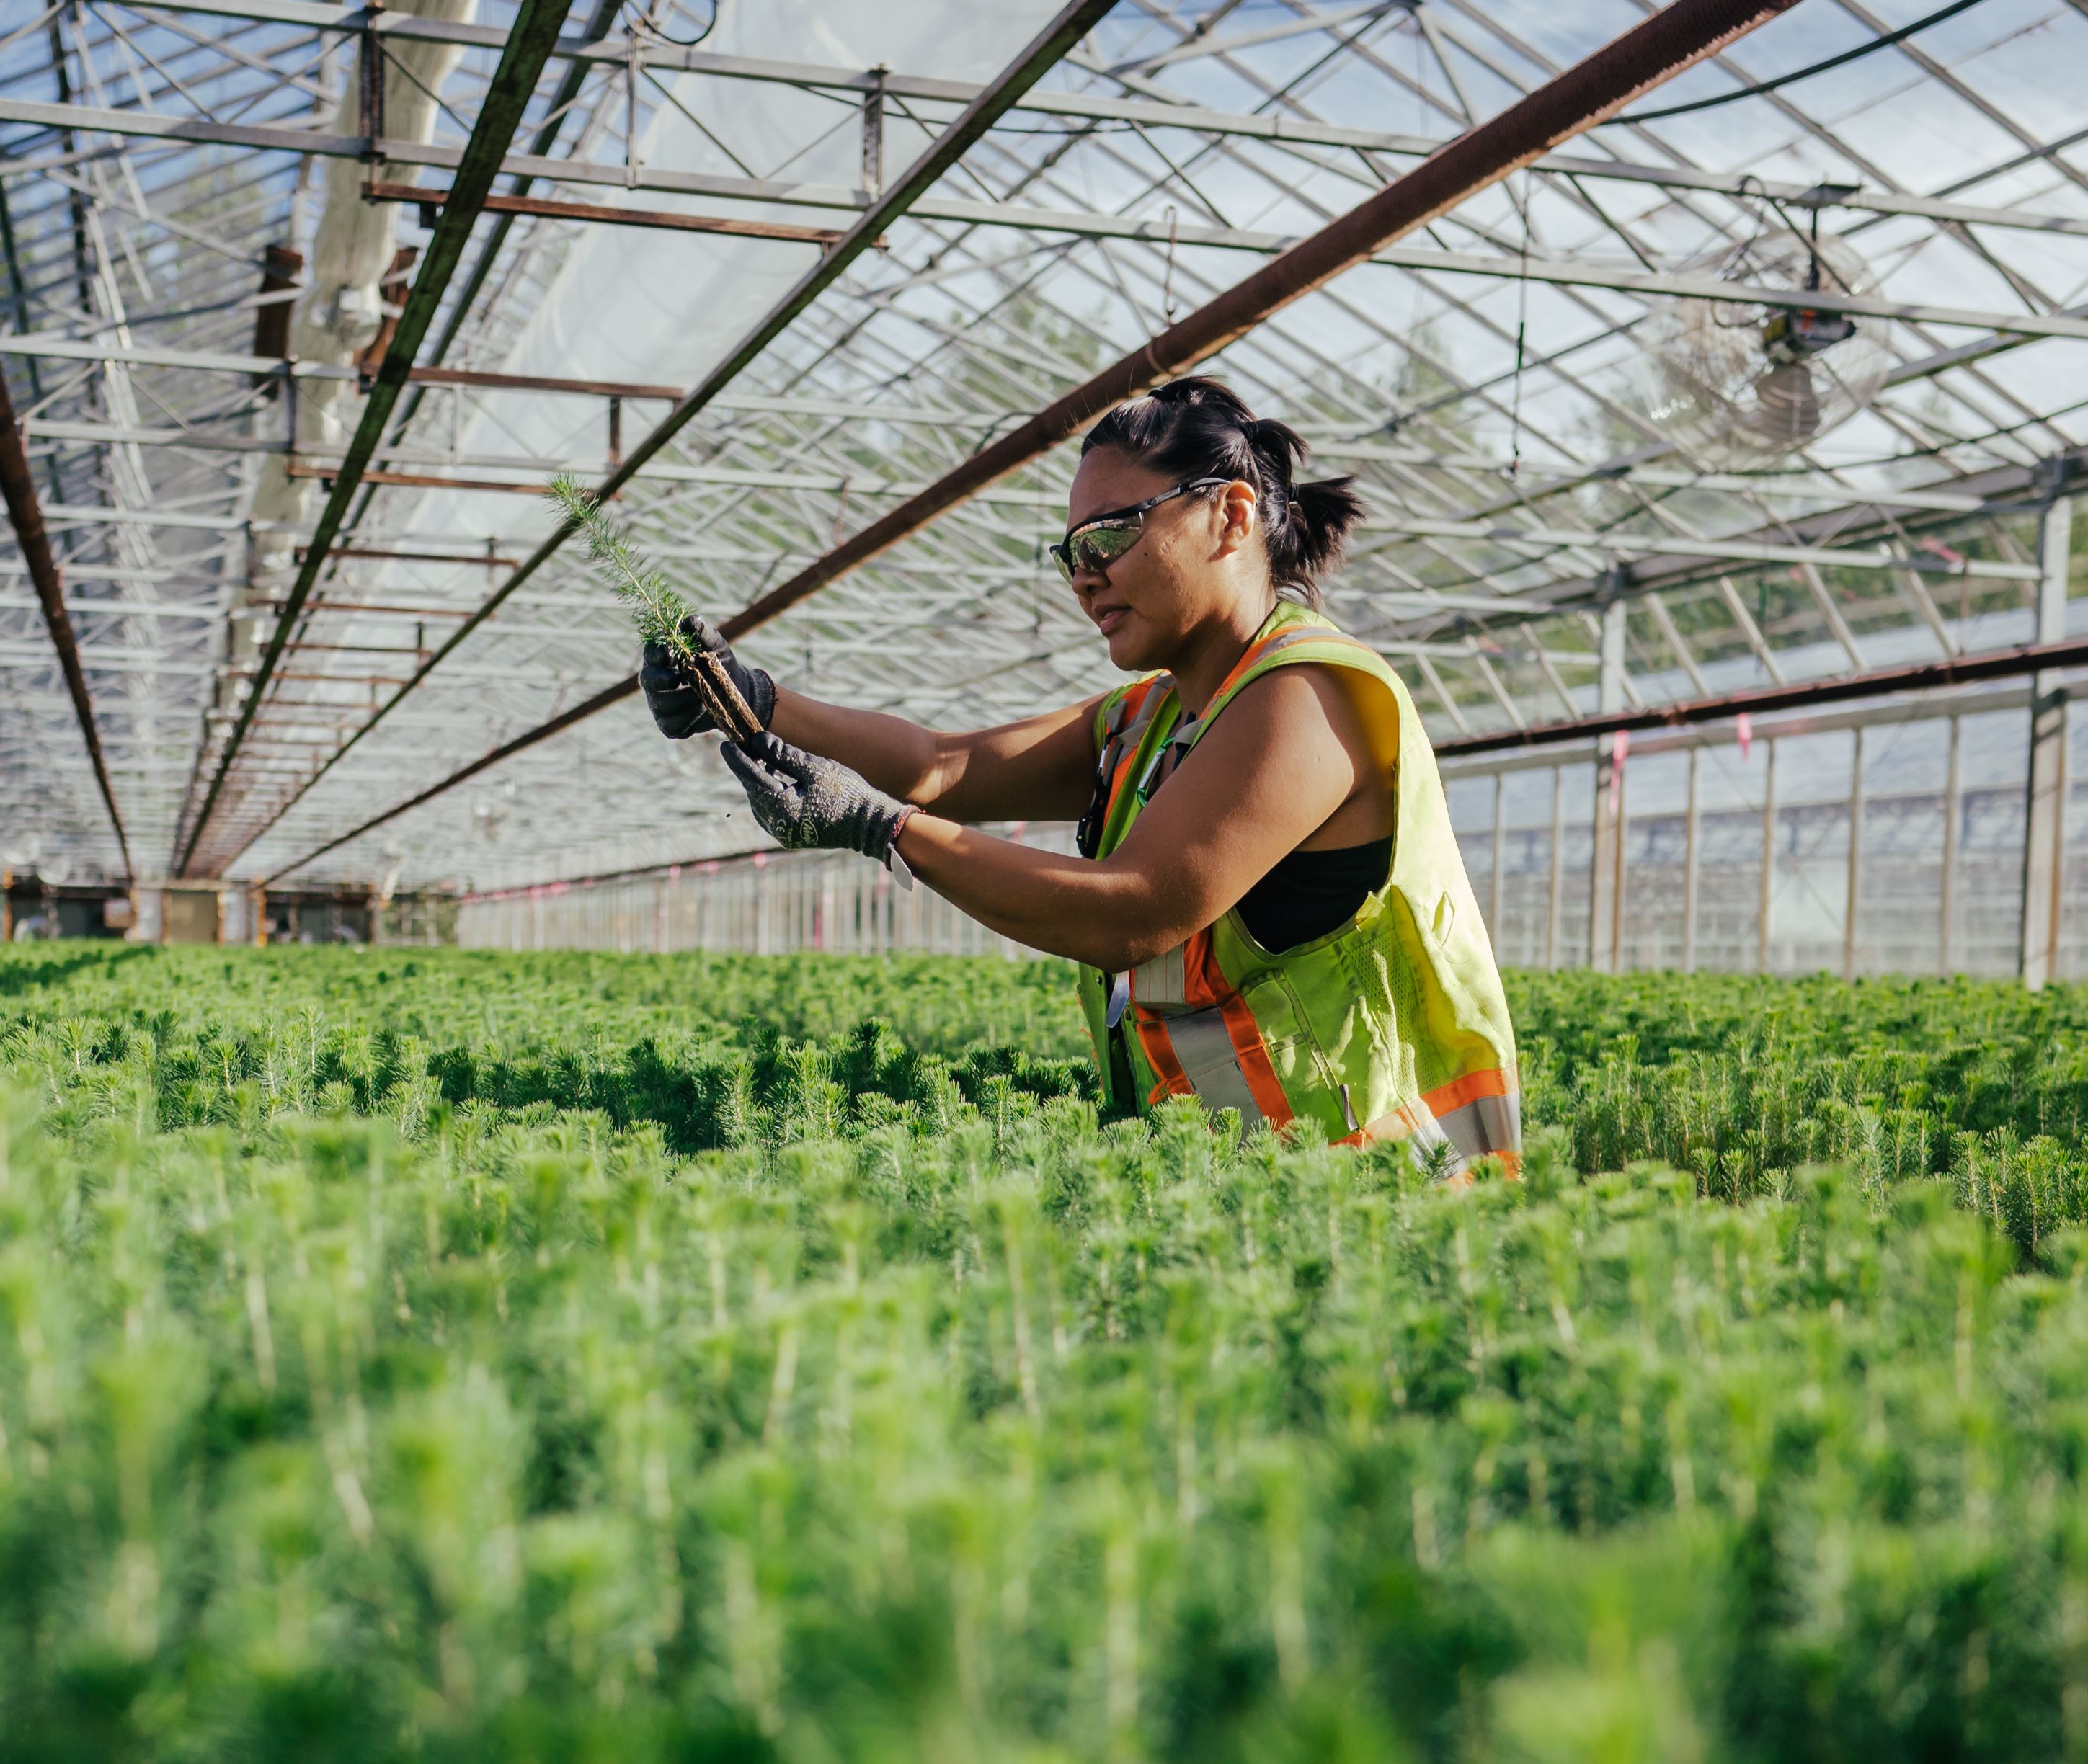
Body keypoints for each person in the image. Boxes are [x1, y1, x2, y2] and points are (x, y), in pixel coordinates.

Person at [642, 375, 1523, 1177]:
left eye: (1111, 533)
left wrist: (882, 830)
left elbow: (1134, 909)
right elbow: (940, 766)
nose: (1085, 574)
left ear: (1231, 515)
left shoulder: (1308, 695)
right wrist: (752, 700)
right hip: (1221, 1195)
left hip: (1362, 1192)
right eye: (1070, 552)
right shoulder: (1149, 717)